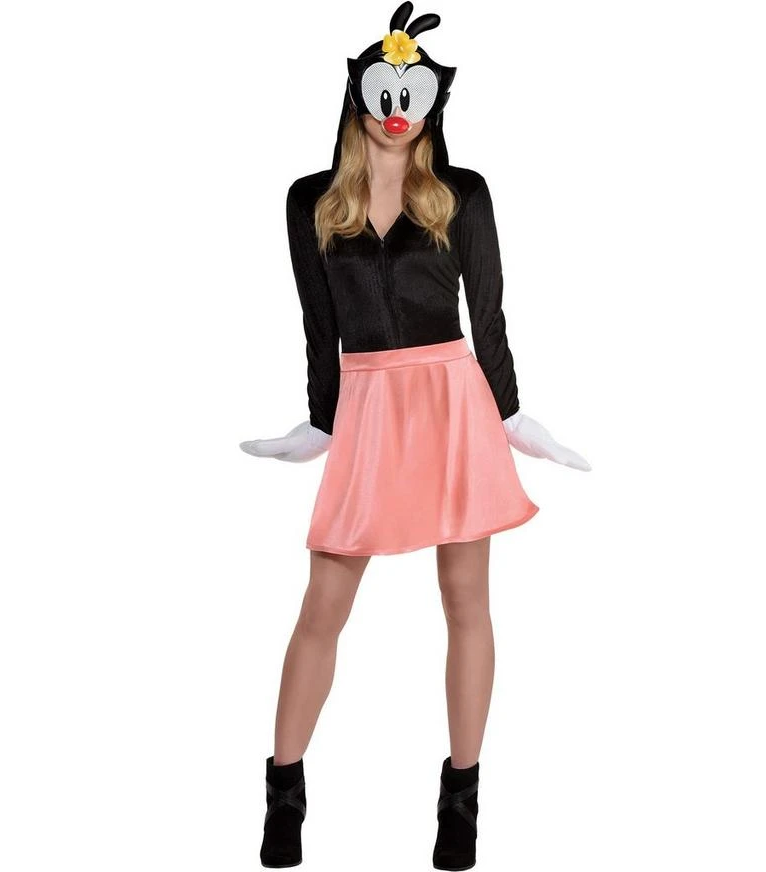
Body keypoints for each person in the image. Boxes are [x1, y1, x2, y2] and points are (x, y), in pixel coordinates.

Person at [240, 3, 591, 868]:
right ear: (359, 96)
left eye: (414, 97)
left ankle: (461, 799)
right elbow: (319, 324)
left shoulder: (461, 192)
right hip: (368, 405)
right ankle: (285, 792)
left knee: (466, 601)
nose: (397, 112)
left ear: (432, 103)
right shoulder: (311, 201)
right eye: (384, 94)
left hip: (451, 399)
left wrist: (510, 413)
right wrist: (321, 420)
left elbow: (488, 311)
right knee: (324, 604)